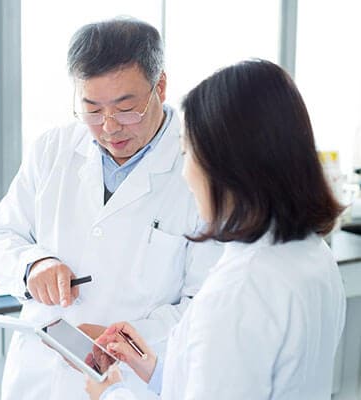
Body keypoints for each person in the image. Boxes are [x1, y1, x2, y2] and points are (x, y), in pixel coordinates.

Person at [0, 18, 222, 400]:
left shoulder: (201, 165)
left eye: (127, 109)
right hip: (40, 380)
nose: (109, 128)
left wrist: (122, 337)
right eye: (92, 110)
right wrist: (32, 266)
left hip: (133, 383)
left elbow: (206, 306)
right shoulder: (52, 149)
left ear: (160, 86)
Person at [85, 59, 346, 400]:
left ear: (227, 164)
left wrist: (111, 393)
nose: (185, 172)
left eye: (187, 152)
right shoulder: (312, 254)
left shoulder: (240, 289)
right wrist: (153, 368)